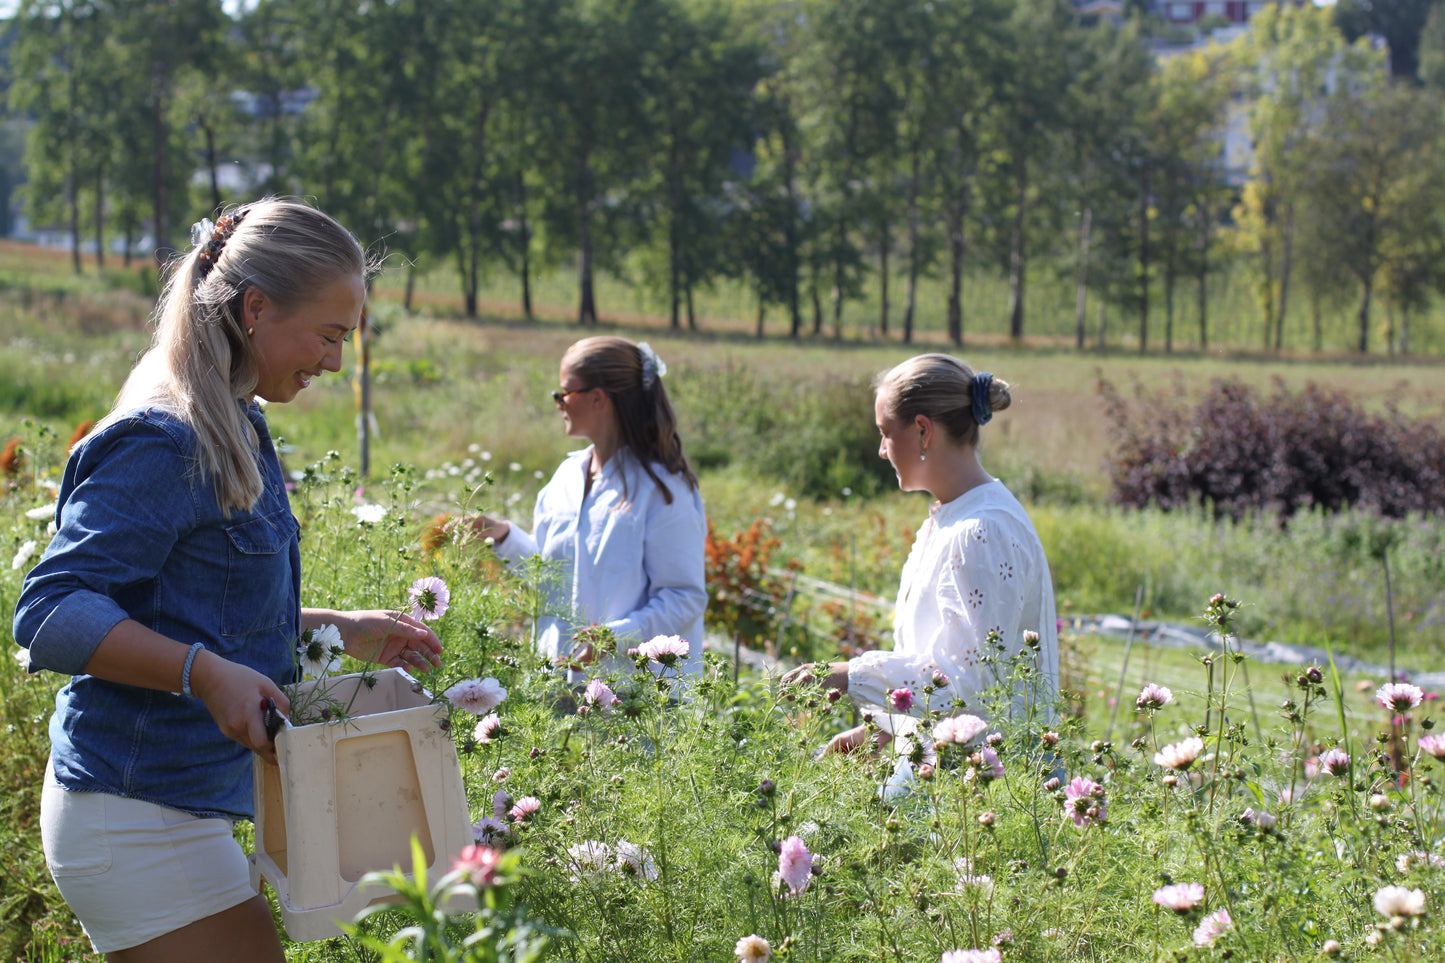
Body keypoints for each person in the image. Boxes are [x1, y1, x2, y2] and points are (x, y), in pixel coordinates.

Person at [13, 199, 444, 962]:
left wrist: (338, 627)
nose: (336, 361)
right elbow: (49, 611)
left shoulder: (234, 419)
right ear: (255, 307)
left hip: (168, 808)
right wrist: (203, 674)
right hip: (133, 814)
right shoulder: (165, 435)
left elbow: (195, 609)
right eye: (329, 334)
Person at [782, 353, 1059, 755]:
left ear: (923, 431)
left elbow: (970, 688)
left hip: (1000, 788)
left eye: (885, 432)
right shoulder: (947, 521)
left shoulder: (981, 531)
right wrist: (885, 731)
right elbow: (941, 667)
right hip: (957, 772)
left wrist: (847, 675)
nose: (881, 450)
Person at [472, 336, 707, 680]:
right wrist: (503, 536)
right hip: (561, 685)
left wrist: (614, 637)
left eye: (565, 393)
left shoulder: (662, 489)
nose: (558, 403)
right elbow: (555, 577)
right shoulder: (566, 478)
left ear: (598, 399)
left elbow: (683, 597)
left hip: (635, 699)